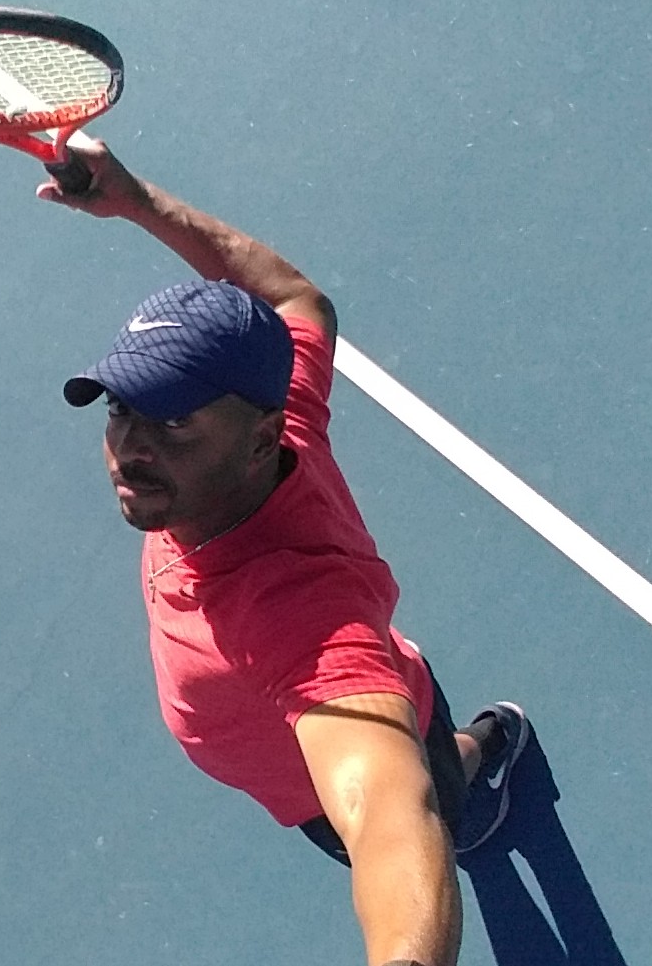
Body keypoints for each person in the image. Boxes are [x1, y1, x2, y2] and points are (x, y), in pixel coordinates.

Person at [38, 142, 531, 966]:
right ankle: (465, 750)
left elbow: (384, 818)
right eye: (121, 408)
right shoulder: (273, 415)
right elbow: (293, 299)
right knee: (422, 757)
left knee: (436, 807)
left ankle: (480, 759)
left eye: (173, 421)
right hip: (353, 716)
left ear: (259, 439)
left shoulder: (299, 612)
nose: (131, 447)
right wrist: (140, 202)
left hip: (325, 772)